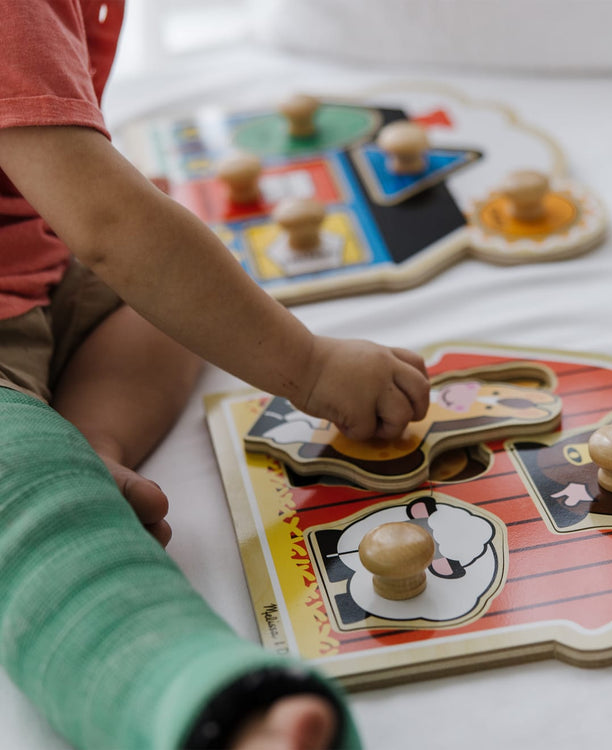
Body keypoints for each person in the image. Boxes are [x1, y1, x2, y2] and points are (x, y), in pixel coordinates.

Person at [0, 2, 430, 749]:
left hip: (30, 273)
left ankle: (91, 446)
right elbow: (107, 225)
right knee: (24, 494)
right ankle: (210, 710)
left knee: (176, 293)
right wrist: (309, 364)